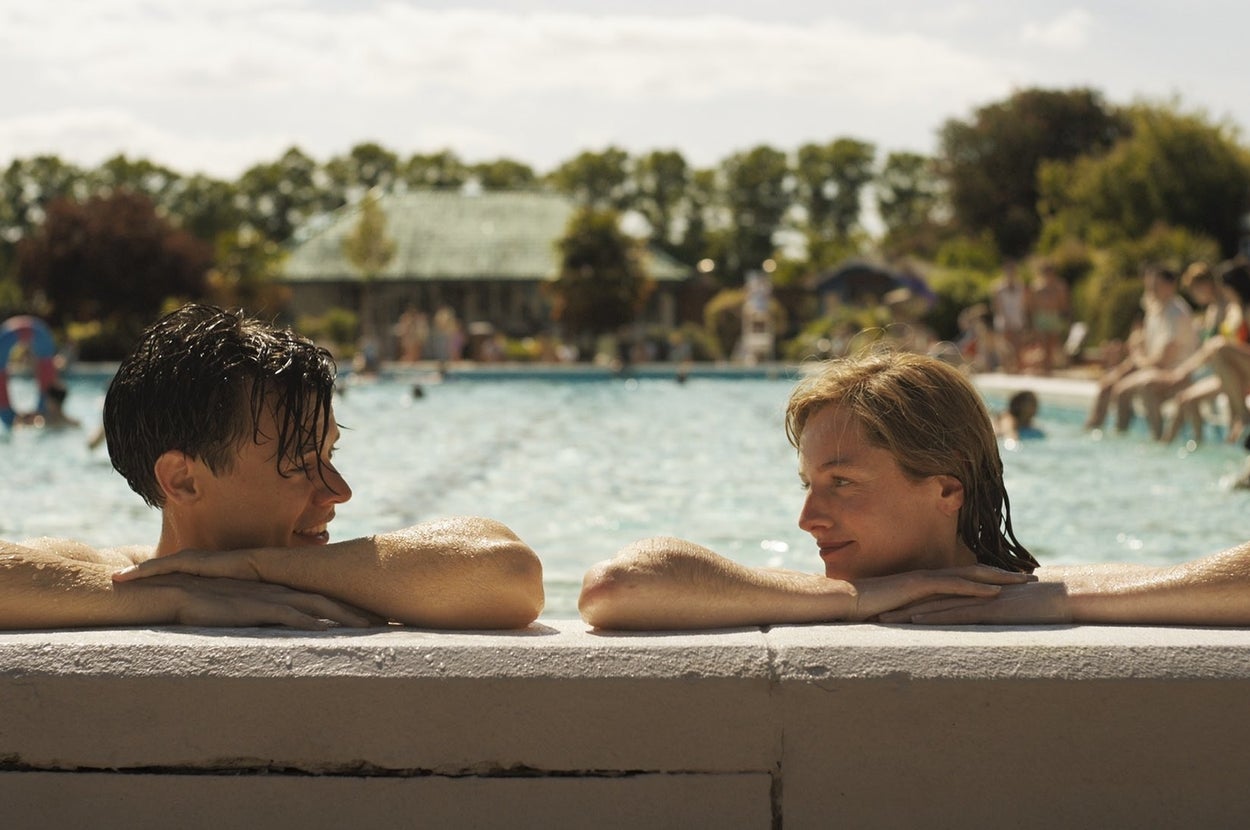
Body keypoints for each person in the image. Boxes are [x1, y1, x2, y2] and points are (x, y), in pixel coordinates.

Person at [578, 349, 1250, 630]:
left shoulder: (1027, 588)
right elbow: (616, 586)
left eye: (841, 484)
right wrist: (863, 597)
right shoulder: (814, 594)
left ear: (947, 490)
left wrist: (1047, 603)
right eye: (809, 484)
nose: (808, 517)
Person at [0, 304, 543, 631]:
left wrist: (255, 568)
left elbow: (510, 573)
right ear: (183, 479)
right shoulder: (109, 571)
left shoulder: (338, 578)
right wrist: (175, 595)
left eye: (330, 455)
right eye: (299, 463)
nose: (339, 491)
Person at [1085, 265, 1198, 439]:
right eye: (1150, 285)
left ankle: (1147, 437)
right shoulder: (1155, 310)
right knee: (1108, 385)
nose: (1150, 289)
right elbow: (1141, 350)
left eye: (1155, 285)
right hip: (1156, 369)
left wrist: (1137, 358)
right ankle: (1093, 428)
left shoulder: (1176, 313)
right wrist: (1122, 369)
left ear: (1170, 286)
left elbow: (1162, 361)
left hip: (1178, 374)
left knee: (1125, 389)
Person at [990, 261, 1030, 373]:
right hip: (1004, 319)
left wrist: (1025, 318)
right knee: (1005, 345)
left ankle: (1017, 366)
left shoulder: (1020, 286)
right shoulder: (998, 287)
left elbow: (1024, 304)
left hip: (1017, 317)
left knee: (1018, 343)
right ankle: (1006, 367)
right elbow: (997, 306)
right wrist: (1005, 319)